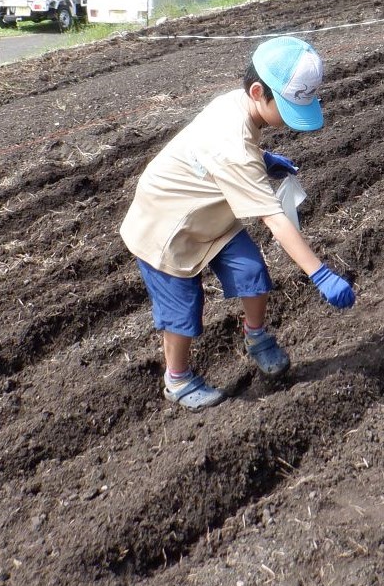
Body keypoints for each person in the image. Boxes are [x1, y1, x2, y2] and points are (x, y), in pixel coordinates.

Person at [119, 36, 356, 410]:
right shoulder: (232, 141)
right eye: (291, 106)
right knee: (183, 311)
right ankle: (176, 380)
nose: (294, 117)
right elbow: (274, 219)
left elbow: (234, 151)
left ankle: (256, 335)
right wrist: (319, 273)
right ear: (260, 91)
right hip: (167, 228)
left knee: (252, 273)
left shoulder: (238, 103)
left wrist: (262, 158)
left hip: (211, 214)